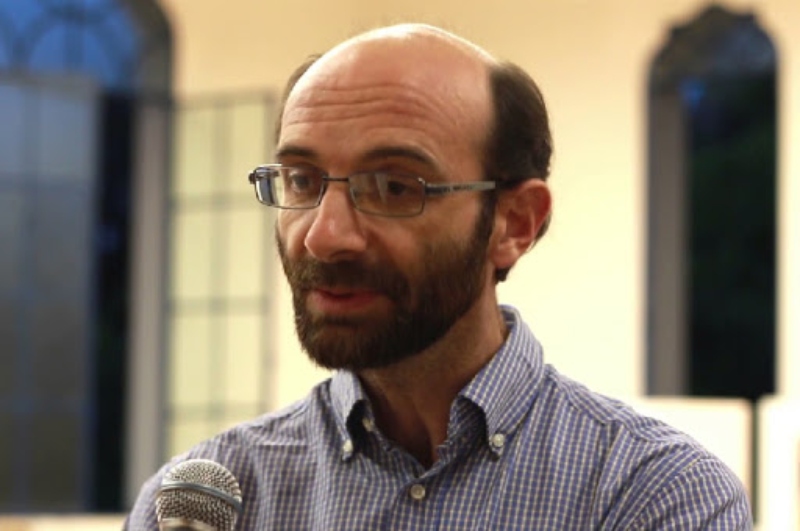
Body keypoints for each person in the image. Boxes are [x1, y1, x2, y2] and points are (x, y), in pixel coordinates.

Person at [127, 23, 752, 529]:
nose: (323, 235)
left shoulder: (650, 495)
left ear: (515, 223)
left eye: (394, 186)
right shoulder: (209, 501)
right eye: (300, 181)